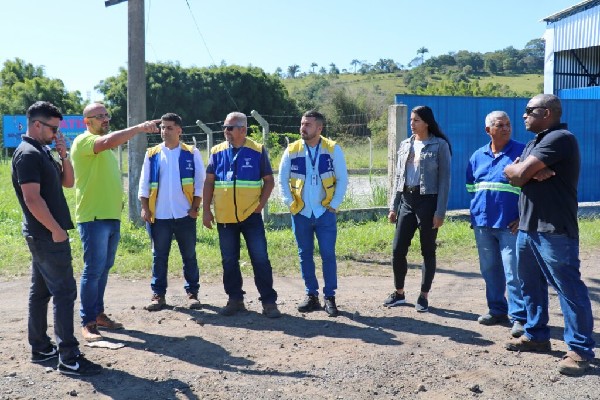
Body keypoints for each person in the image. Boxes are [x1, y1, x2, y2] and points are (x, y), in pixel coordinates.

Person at [504, 94, 595, 376]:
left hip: (554, 229)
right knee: (530, 285)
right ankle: (536, 335)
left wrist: (523, 172)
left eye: (529, 110)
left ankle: (580, 350)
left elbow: (519, 175)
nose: (523, 115)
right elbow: (511, 173)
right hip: (528, 227)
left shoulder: (560, 138)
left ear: (547, 112)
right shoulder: (535, 142)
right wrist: (522, 171)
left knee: (569, 289)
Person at [11, 101, 101, 376]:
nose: (56, 134)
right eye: (53, 129)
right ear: (37, 125)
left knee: (41, 293)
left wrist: (64, 155)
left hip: (45, 235)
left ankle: (40, 348)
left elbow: (68, 182)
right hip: (47, 236)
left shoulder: (42, 150)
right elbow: (32, 199)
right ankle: (69, 358)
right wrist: (56, 230)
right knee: (64, 292)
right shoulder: (28, 154)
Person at [71, 102, 160, 341]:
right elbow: (109, 140)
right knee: (93, 270)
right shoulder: (84, 141)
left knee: (103, 269)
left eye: (106, 114)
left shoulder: (105, 150)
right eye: (99, 116)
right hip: (93, 218)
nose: (105, 119)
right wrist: (139, 128)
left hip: (110, 217)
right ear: (87, 121)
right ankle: (88, 322)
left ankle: (97, 314)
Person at [202, 111, 281, 318]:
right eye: (224, 127)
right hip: (225, 217)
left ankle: (269, 302)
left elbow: (269, 181)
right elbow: (209, 182)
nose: (225, 131)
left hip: (251, 216)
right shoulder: (216, 151)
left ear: (243, 130)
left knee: (260, 259)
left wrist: (260, 206)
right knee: (229, 260)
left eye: (230, 128)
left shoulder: (257, 150)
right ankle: (235, 299)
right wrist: (206, 210)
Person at [278, 110, 348, 317]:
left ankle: (330, 297)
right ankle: (311, 295)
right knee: (304, 255)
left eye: (307, 124)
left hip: (324, 212)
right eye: (302, 124)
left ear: (319, 128)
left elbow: (342, 178)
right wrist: (290, 203)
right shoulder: (292, 149)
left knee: (328, 255)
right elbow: (282, 179)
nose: (303, 128)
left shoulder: (332, 149)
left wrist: (334, 204)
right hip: (301, 213)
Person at [385, 105, 451, 312]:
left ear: (427, 123)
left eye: (416, 120)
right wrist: (393, 206)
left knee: (427, 250)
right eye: (411, 120)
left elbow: (444, 181)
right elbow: (398, 176)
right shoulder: (406, 144)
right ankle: (399, 293)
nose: (412, 124)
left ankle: (423, 296)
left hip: (428, 201)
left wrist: (440, 212)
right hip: (407, 200)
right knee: (397, 250)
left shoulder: (439, 145)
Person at [466, 111, 526, 338]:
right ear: (488, 130)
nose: (506, 128)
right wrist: (477, 214)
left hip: (510, 225)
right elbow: (471, 188)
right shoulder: (477, 156)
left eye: (508, 124)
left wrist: (523, 217)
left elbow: (533, 190)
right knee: (490, 270)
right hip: (482, 224)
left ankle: (520, 317)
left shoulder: (521, 152)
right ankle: (497, 310)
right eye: (500, 125)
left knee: (514, 272)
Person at [138, 113, 205, 311]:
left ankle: (192, 294)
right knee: (159, 256)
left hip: (185, 214)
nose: (164, 131)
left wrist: (195, 208)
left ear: (179, 130)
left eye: (169, 127)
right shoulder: (152, 154)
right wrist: (145, 208)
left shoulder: (191, 153)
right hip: (159, 216)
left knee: (189, 255)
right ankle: (158, 295)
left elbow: (199, 183)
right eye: (162, 127)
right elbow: (144, 184)